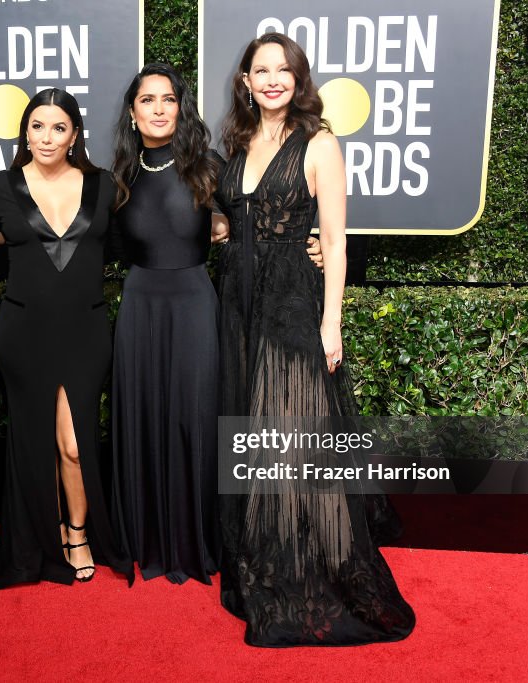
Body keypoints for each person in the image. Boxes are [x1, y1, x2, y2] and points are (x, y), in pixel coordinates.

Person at [214, 34, 416, 646]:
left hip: (292, 302)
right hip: (237, 301)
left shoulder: (319, 142)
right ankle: (262, 561)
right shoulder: (238, 140)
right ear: (245, 80)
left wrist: (332, 323)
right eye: (261, 70)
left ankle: (312, 569)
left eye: (284, 70)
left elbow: (334, 242)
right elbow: (234, 210)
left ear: (298, 80)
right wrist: (224, 225)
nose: (272, 79)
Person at [110, 64, 323, 586]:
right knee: (143, 415)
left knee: (197, 417)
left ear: (181, 108)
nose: (158, 108)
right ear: (132, 113)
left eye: (168, 99)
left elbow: (266, 218)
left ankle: (200, 538)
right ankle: (145, 535)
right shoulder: (115, 176)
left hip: (195, 304)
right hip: (139, 306)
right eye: (147, 100)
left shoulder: (211, 167)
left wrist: (312, 245)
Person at [0, 89, 132, 585]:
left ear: (74, 135)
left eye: (58, 128)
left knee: (72, 444)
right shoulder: (0, 187)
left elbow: (121, 248)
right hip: (23, 330)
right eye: (37, 127)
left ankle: (78, 532)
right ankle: (36, 540)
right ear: (25, 132)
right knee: (30, 441)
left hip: (85, 330)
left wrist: (218, 223)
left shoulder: (104, 185)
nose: (47, 138)